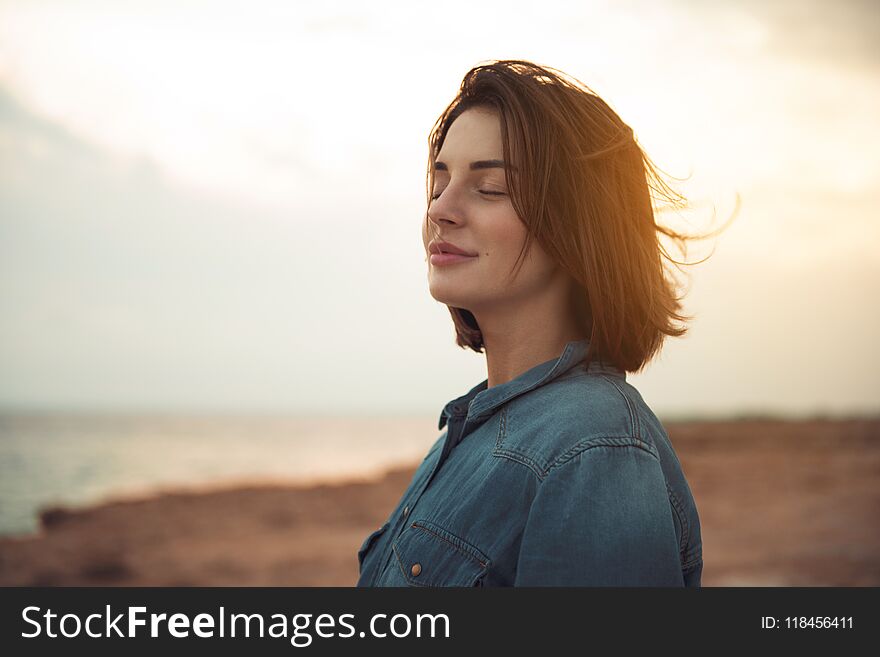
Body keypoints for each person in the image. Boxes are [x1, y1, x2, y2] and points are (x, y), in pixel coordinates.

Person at [357, 59, 720, 587]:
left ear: (579, 223)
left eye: (490, 188)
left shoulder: (595, 448)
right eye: (439, 182)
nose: (441, 209)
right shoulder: (466, 435)